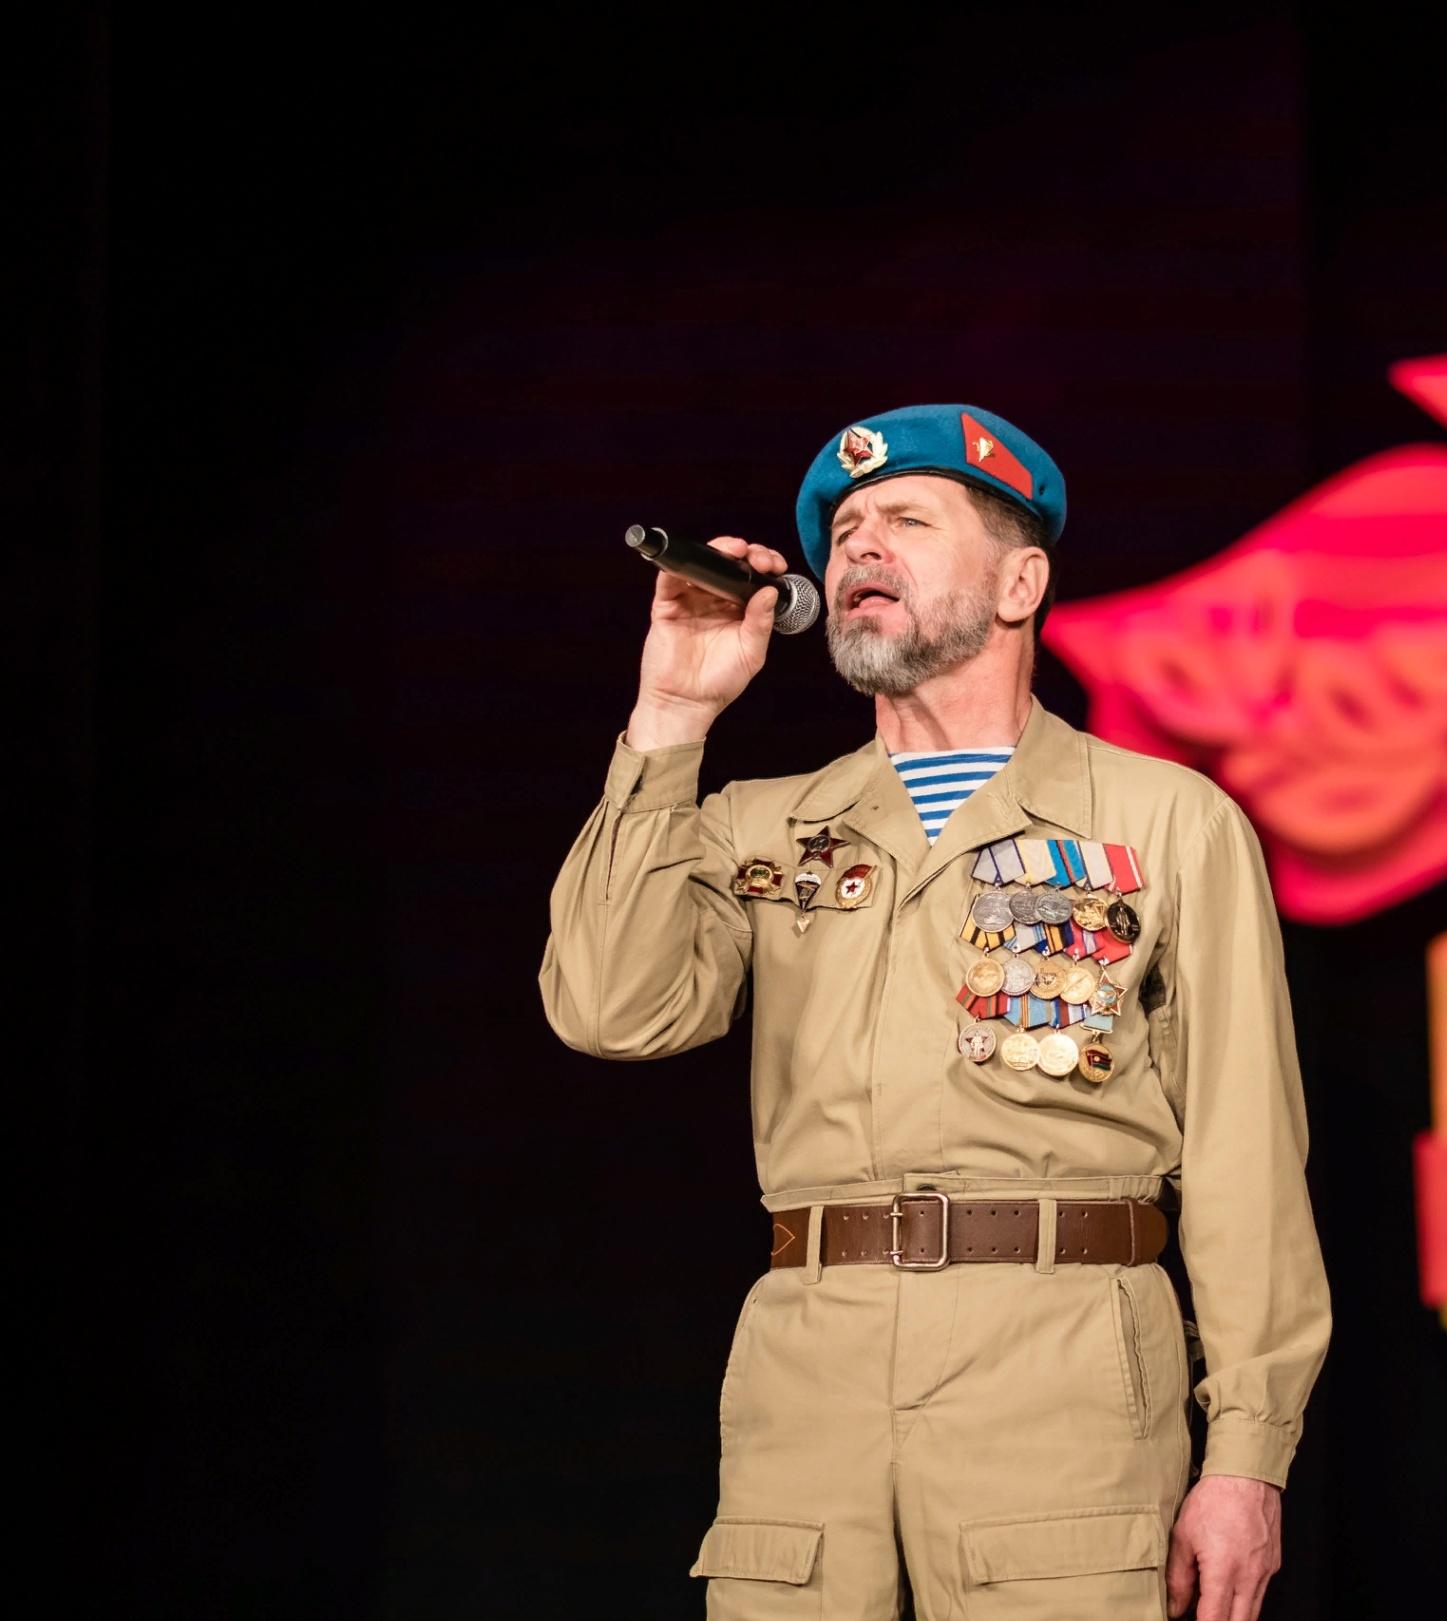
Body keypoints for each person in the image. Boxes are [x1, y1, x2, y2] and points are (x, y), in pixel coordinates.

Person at [540, 403, 1330, 1620]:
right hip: (812, 1372)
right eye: (845, 529)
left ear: (1020, 584)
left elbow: (1244, 1154)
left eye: (907, 520)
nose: (860, 545)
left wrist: (1247, 1452)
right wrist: (671, 720)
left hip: (1059, 1369)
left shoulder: (1163, 820)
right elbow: (608, 1008)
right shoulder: (763, 822)